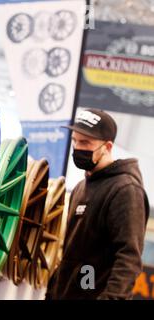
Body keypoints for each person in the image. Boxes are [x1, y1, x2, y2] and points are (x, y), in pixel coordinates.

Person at [46, 108, 150, 300]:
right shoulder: (80, 187)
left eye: (86, 142)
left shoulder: (125, 190)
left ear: (107, 147)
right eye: (75, 141)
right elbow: (72, 255)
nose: (78, 148)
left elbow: (128, 258)